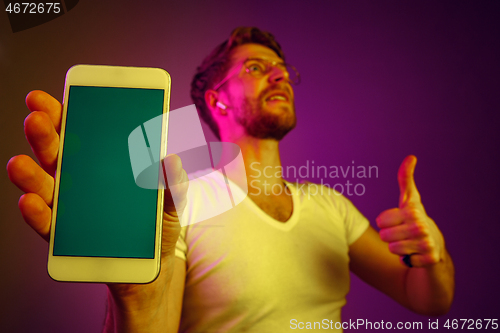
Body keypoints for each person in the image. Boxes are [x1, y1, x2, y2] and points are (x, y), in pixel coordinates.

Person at [7, 27, 454, 332]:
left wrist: (431, 255)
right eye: (257, 68)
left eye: (283, 69)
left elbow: (427, 299)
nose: (280, 73)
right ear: (216, 100)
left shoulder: (330, 205)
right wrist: (136, 303)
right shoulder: (178, 205)